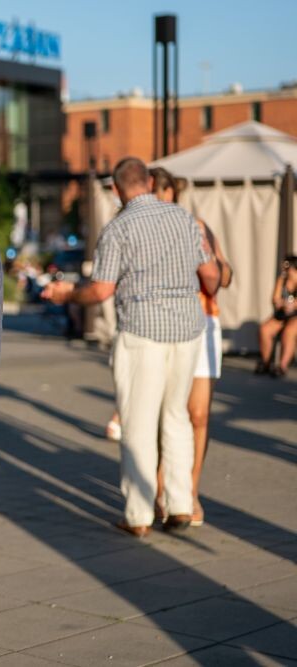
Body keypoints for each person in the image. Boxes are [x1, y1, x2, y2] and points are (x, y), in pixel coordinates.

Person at [43, 157, 220, 538]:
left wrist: (67, 293)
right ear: (150, 182)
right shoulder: (185, 219)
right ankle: (180, 505)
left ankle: (139, 513)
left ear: (118, 188)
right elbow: (210, 274)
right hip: (188, 329)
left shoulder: (119, 227)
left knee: (138, 424)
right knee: (176, 417)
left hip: (143, 332)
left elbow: (101, 290)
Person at [147, 168, 233, 527]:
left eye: (156, 192)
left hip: (203, 321)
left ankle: (190, 491)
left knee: (197, 414)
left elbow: (222, 277)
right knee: (163, 411)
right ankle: (161, 490)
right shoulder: (143, 227)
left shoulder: (195, 225)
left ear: (170, 191)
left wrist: (214, 265)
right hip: (160, 324)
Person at [255, 255, 297, 378]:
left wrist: (292, 304)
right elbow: (275, 299)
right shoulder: (282, 280)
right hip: (282, 314)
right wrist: (283, 304)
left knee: (289, 332)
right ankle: (266, 362)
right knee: (264, 329)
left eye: (287, 266)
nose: (284, 269)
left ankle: (282, 366)